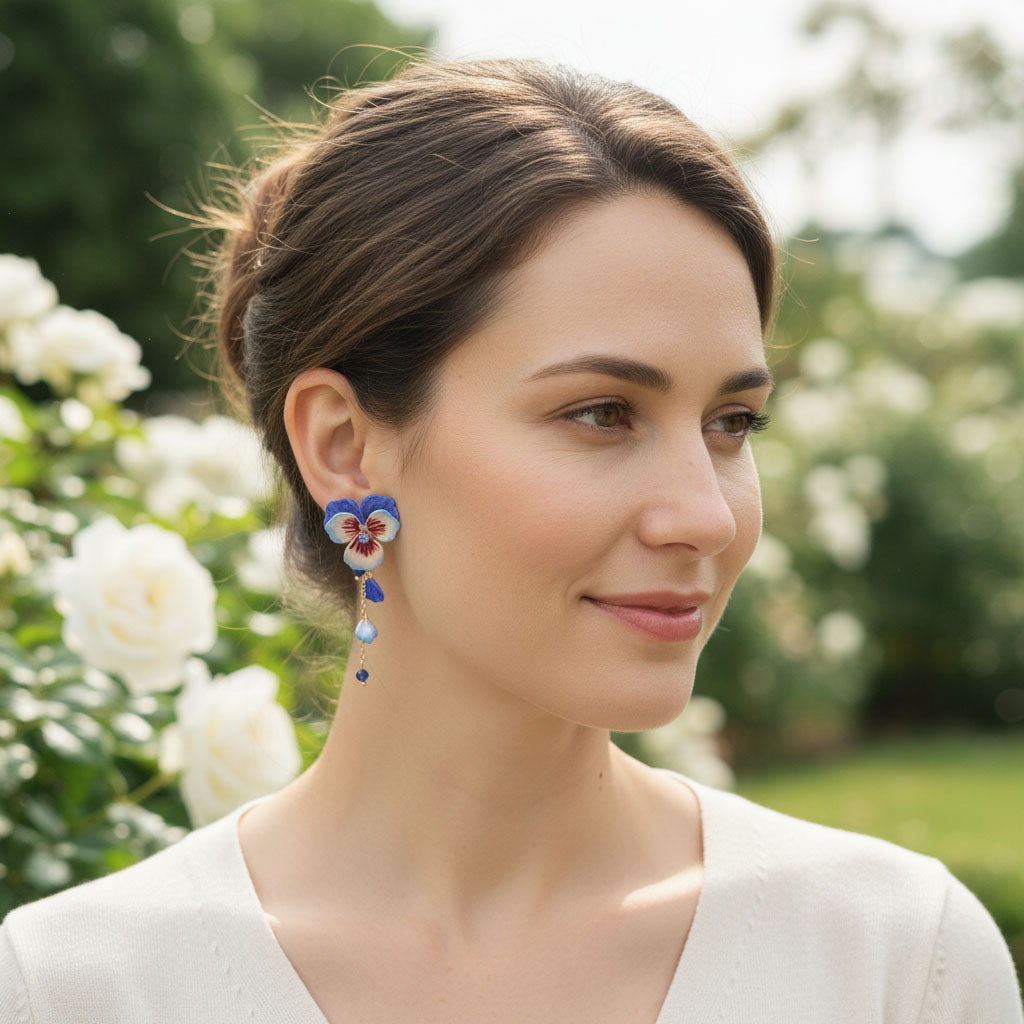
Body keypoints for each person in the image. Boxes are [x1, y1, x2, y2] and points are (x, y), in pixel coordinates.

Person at [1, 55, 1021, 1024]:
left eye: (731, 423)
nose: (706, 514)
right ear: (346, 446)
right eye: (602, 413)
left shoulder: (893, 960)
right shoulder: (77, 990)